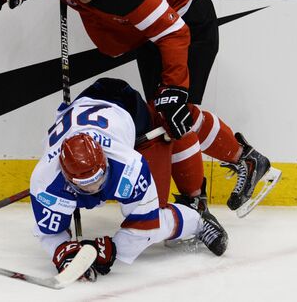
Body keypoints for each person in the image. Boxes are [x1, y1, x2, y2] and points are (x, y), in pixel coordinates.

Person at [0, 0, 277, 214]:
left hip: (187, 21)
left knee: (177, 112)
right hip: (148, 33)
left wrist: (175, 88)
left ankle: (202, 196)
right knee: (161, 115)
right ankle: (244, 164)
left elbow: (175, 33)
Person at [29, 78, 228, 278]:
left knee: (155, 216)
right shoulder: (44, 180)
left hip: (126, 105)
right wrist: (62, 250)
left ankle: (199, 221)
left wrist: (114, 249)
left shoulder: (129, 165)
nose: (95, 188)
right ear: (67, 177)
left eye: (99, 178)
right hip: (83, 106)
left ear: (105, 161)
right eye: (86, 185)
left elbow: (146, 226)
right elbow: (49, 232)